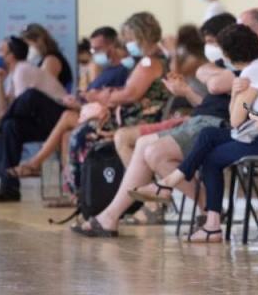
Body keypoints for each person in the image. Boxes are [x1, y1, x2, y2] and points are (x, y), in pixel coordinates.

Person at [117, 24, 258, 242]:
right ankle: (171, 187)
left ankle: (208, 221)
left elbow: (234, 120)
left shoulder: (253, 74)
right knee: (208, 135)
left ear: (228, 54)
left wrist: (234, 92)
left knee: (211, 159)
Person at [71, 23, 237, 232]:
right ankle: (111, 216)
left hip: (206, 125)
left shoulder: (220, 68)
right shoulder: (217, 66)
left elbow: (133, 92)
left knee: (143, 147)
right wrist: (185, 90)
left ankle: (170, 200)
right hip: (198, 119)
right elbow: (206, 104)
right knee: (140, 143)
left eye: (212, 42)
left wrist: (175, 55)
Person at [8, 12, 168, 179]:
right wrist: (105, 95)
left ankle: (76, 190)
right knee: (70, 127)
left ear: (139, 35)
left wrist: (102, 97)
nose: (127, 44)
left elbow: (130, 95)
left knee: (78, 133)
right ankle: (72, 189)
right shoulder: (149, 61)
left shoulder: (149, 63)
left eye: (128, 39)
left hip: (136, 119)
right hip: (129, 114)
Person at [0, 37, 70, 202]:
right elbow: (5, 109)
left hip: (59, 114)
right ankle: (8, 187)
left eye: (2, 51)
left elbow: (24, 104)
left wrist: (0, 118)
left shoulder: (23, 69)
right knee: (10, 126)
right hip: (42, 121)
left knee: (30, 95)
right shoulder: (13, 74)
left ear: (11, 55)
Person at [21, 23, 74, 90]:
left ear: (39, 40)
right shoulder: (46, 59)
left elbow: (44, 90)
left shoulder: (51, 60)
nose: (26, 48)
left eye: (27, 44)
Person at [85, 26, 132, 91]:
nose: (95, 53)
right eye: (93, 50)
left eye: (98, 49)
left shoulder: (126, 68)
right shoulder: (103, 68)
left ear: (113, 45)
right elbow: (93, 90)